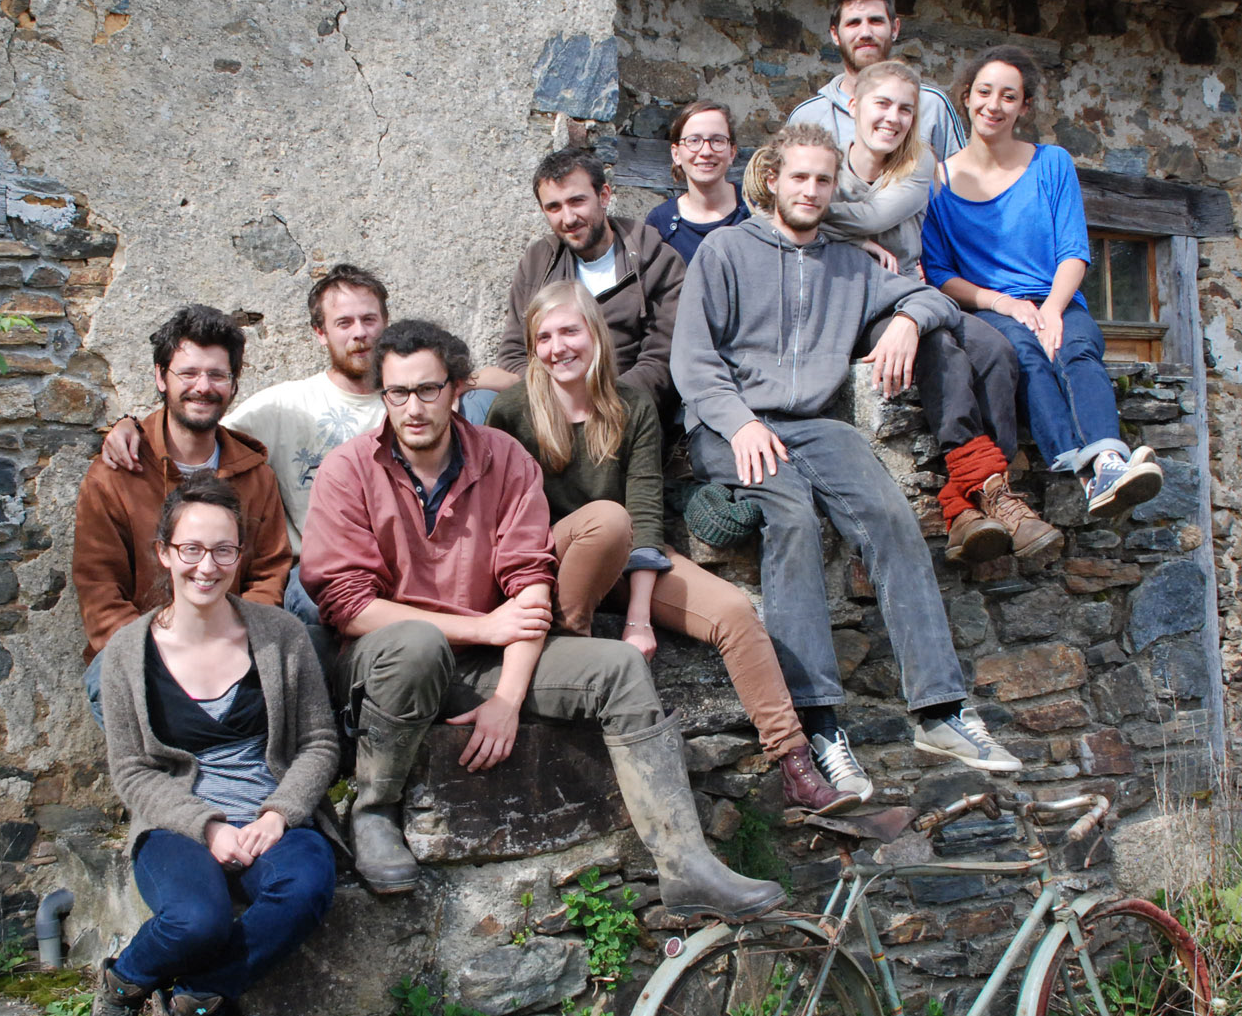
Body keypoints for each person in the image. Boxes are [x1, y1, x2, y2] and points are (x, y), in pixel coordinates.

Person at [301, 319, 783, 920]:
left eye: (428, 389)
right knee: (418, 643)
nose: (414, 408)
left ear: (456, 387)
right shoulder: (347, 470)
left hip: (485, 661)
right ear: (383, 394)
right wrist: (482, 628)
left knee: (618, 666)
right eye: (398, 392)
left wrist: (507, 698)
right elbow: (347, 605)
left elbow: (530, 584)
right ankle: (374, 809)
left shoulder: (502, 458)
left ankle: (687, 865)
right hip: (391, 662)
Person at [672, 123, 1025, 800]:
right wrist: (741, 423)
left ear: (835, 189)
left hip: (813, 424)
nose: (810, 190)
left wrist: (907, 321)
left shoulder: (849, 264)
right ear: (772, 179)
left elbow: (930, 296)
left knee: (890, 516)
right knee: (792, 518)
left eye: (823, 179)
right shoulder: (726, 250)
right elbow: (693, 360)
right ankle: (819, 725)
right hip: (727, 424)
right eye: (799, 177)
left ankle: (940, 710)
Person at [487, 281, 853, 815]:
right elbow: (505, 519)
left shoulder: (632, 405)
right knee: (604, 519)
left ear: (595, 333)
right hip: (554, 562)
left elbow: (644, 511)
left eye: (569, 331)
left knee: (733, 611)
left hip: (625, 553)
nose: (557, 347)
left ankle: (795, 763)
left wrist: (639, 619)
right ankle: (571, 656)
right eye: (543, 337)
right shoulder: (511, 411)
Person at [78, 474, 338, 1016]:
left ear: (240, 555)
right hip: (178, 825)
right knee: (197, 920)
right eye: (191, 548)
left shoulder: (281, 634)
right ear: (165, 552)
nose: (207, 565)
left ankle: (188, 1009)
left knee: (306, 887)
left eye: (223, 549)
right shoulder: (126, 653)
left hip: (272, 817)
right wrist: (208, 827)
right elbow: (132, 770)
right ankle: (122, 987)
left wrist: (279, 813)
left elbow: (320, 742)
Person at [820, 61, 1060, 565]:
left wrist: (828, 222)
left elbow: (876, 214)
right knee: (940, 348)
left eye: (905, 109)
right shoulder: (826, 167)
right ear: (854, 106)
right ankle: (990, 495)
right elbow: (773, 205)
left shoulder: (918, 163)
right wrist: (855, 243)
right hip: (858, 305)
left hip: (915, 296)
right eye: (882, 104)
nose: (893, 117)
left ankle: (969, 500)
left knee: (994, 350)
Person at [921, 46, 1163, 516]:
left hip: (1057, 298)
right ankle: (1087, 472)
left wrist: (1052, 309)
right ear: (966, 98)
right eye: (984, 92)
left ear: (1024, 107)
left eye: (1009, 96)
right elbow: (941, 274)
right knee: (1023, 353)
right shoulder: (937, 183)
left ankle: (1107, 461)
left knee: (1076, 348)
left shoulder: (1052, 163)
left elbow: (1074, 250)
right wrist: (1005, 304)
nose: (994, 105)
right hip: (990, 307)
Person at [98, 266, 390, 627]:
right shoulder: (284, 405)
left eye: (369, 319)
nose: (360, 332)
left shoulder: (412, 407)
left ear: (385, 323)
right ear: (320, 332)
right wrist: (130, 425)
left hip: (393, 568)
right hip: (318, 580)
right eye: (344, 322)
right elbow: (197, 426)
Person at [73, 306, 292, 722]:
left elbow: (269, 573)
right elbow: (99, 587)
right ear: (161, 377)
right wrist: (162, 653)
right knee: (109, 679)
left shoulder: (256, 477)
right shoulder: (115, 474)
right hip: (144, 650)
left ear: (233, 384)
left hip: (234, 646)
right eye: (188, 373)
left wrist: (233, 643)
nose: (202, 387)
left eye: (217, 375)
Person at [479, 148, 688, 413]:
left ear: (604, 196)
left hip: (626, 408)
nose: (568, 218)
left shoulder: (654, 259)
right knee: (475, 402)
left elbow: (662, 358)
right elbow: (514, 353)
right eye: (554, 207)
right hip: (549, 410)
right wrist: (557, 401)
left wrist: (597, 404)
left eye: (577, 201)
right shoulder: (538, 262)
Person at [787, 0, 967, 166]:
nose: (865, 33)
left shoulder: (931, 105)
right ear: (835, 34)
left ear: (895, 28)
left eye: (875, 21)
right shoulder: (808, 116)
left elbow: (959, 178)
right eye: (853, 23)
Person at [643, 100, 750, 265]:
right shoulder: (660, 223)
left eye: (717, 140)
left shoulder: (757, 210)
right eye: (694, 140)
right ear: (676, 154)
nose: (706, 151)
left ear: (732, 152)